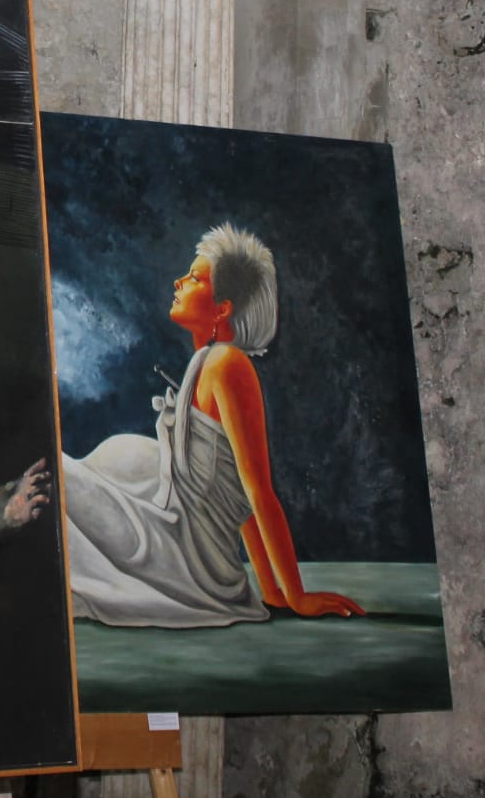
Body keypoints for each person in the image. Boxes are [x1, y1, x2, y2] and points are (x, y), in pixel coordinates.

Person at [63, 225, 365, 626]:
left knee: (51, 470)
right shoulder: (208, 362)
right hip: (171, 541)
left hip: (178, 553)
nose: (179, 281)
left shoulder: (227, 364)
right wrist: (271, 592)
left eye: (194, 278)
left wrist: (295, 595)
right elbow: (238, 493)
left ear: (222, 308)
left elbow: (256, 493)